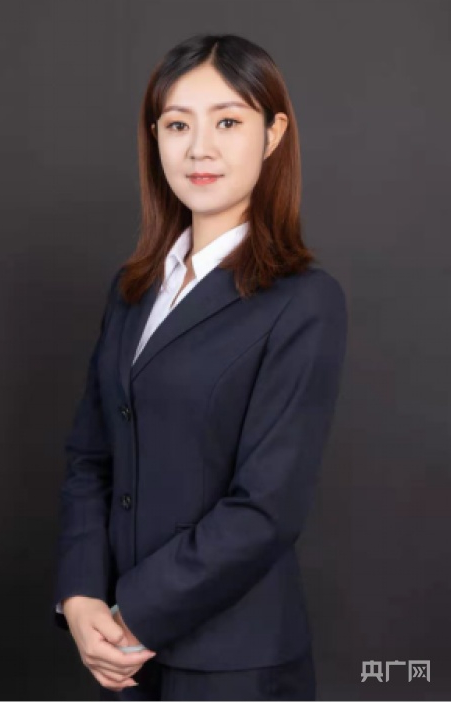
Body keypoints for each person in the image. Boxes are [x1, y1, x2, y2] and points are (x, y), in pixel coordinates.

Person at [52, 33, 348, 701]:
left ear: (273, 134)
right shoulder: (133, 290)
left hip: (233, 664)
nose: (199, 149)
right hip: (120, 658)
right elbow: (90, 458)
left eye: (228, 122)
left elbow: (266, 507)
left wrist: (135, 613)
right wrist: (80, 595)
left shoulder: (304, 301)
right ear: (155, 138)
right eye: (178, 124)